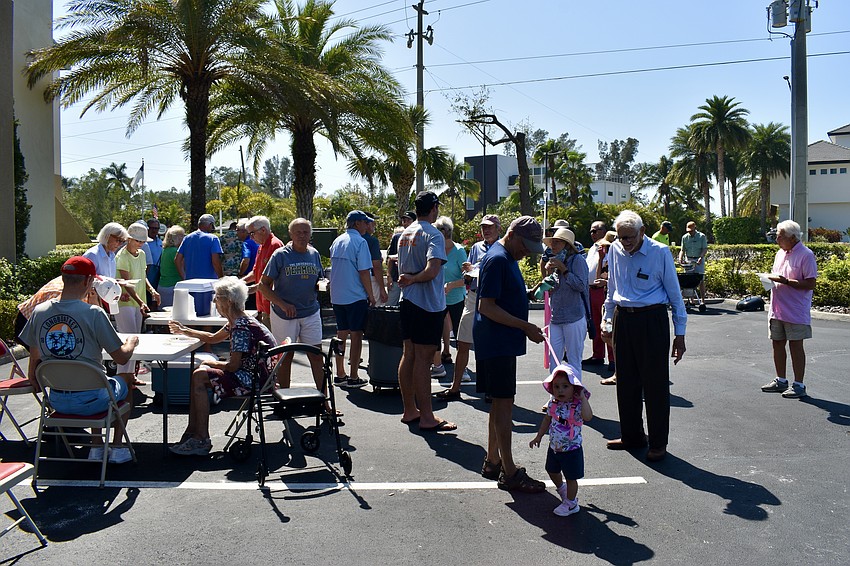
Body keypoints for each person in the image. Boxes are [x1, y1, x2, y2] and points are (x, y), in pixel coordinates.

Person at [20, 256, 139, 464]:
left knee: (98, 379)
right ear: (88, 281)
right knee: (125, 378)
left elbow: (35, 354)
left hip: (56, 400)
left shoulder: (39, 312)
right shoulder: (94, 313)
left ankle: (96, 446)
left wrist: (34, 380)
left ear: (64, 278)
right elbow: (120, 356)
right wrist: (132, 342)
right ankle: (117, 447)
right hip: (93, 400)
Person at [601, 210, 686, 462]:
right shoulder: (615, 249)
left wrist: (679, 334)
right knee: (625, 381)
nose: (625, 243)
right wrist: (608, 318)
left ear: (643, 232)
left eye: (629, 237)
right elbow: (612, 286)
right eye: (621, 237)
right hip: (623, 319)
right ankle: (632, 436)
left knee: (655, 385)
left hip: (652, 320)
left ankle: (658, 442)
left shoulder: (659, 252)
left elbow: (675, 296)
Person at [475, 216, 546, 492]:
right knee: (505, 406)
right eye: (526, 245)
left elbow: (501, 297)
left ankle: (494, 461)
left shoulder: (506, 258)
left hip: (499, 342)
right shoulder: (498, 259)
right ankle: (509, 470)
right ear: (513, 235)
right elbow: (486, 306)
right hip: (497, 343)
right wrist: (525, 326)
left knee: (499, 403)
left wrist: (525, 294)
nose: (527, 251)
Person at [167, 277, 276, 456]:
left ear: (228, 301)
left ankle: (200, 438)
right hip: (260, 376)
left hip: (254, 381)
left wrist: (212, 362)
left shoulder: (240, 326)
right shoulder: (239, 320)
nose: (214, 301)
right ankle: (193, 433)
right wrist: (185, 330)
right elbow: (213, 338)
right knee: (200, 373)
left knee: (199, 375)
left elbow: (233, 366)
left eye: (217, 297)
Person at [397, 191, 455, 431]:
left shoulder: (405, 233)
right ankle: (428, 418)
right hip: (426, 305)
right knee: (422, 359)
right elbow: (432, 271)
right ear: (433, 209)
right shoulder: (433, 234)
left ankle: (410, 410)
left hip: (407, 302)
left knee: (408, 354)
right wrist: (413, 279)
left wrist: (408, 281)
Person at [258, 218, 326, 395]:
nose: (302, 236)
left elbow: (319, 279)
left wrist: (323, 283)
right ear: (291, 234)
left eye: (305, 232)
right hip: (284, 315)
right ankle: (284, 398)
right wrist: (282, 303)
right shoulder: (280, 255)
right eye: (298, 232)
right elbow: (263, 285)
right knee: (285, 357)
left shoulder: (314, 254)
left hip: (310, 311)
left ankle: (324, 401)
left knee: (316, 356)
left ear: (310, 234)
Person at [444, 214, 502, 398]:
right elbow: (468, 277)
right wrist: (468, 273)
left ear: (498, 228)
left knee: (490, 345)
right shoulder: (476, 247)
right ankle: (455, 387)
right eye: (484, 227)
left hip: (493, 299)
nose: (486, 230)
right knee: (463, 341)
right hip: (473, 296)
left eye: (490, 227)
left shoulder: (503, 248)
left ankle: (491, 389)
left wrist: (477, 270)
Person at [760, 220, 818, 399]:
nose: (777, 239)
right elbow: (777, 275)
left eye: (780, 236)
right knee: (777, 343)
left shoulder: (806, 255)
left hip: (795, 309)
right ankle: (781, 380)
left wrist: (786, 281)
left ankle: (799, 384)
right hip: (777, 308)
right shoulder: (780, 253)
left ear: (792, 238)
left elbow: (810, 283)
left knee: (795, 345)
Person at [529, 363, 593, 517]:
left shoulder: (577, 405)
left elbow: (588, 417)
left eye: (565, 386)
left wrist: (583, 398)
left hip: (571, 449)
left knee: (572, 477)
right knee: (551, 470)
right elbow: (547, 420)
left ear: (574, 388)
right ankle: (563, 490)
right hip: (555, 447)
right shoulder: (553, 403)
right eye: (556, 387)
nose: (560, 390)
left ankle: (571, 504)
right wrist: (538, 436)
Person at [329, 210, 375, 388]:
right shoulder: (360, 242)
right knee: (356, 335)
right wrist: (371, 295)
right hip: (355, 296)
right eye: (365, 222)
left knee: (341, 334)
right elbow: (364, 272)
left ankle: (340, 373)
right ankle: (353, 376)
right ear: (357, 223)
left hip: (338, 296)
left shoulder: (337, 240)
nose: (367, 225)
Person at [540, 228, 589, 380]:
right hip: (556, 317)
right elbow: (553, 290)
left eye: (557, 242)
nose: (553, 246)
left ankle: (576, 398)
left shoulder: (577, 260)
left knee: (574, 361)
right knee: (554, 358)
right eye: (552, 242)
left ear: (567, 245)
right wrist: (549, 275)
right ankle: (554, 399)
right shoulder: (556, 261)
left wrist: (564, 270)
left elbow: (581, 285)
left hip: (574, 317)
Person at [116, 221, 160, 387]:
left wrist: (151, 291)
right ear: (129, 239)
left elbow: (142, 277)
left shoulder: (141, 254)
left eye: (142, 241)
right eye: (138, 241)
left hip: (137, 302)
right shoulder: (122, 256)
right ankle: (123, 377)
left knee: (135, 339)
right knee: (128, 340)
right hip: (125, 302)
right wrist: (142, 301)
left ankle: (130, 376)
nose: (141, 244)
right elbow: (127, 283)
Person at [430, 216, 467, 387]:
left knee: (460, 334)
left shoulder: (459, 251)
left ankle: (463, 369)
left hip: (455, 298)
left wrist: (452, 285)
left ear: (446, 232)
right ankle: (438, 365)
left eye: (438, 230)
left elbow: (468, 278)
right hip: (437, 298)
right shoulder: (434, 249)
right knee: (436, 330)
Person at [583, 221, 615, 372]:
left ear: (604, 231)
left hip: (604, 291)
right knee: (595, 324)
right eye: (591, 231)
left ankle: (613, 358)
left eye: (596, 230)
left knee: (607, 324)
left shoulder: (611, 248)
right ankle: (598, 355)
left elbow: (607, 272)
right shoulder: (592, 249)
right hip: (591, 290)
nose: (593, 234)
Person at [242, 215, 283, 328]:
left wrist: (252, 288)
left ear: (263, 230)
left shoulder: (275, 245)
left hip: (273, 306)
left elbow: (275, 278)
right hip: (263, 305)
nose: (251, 238)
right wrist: (240, 282)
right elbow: (256, 273)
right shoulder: (261, 247)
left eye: (252, 233)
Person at [175, 213, 224, 281]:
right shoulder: (213, 239)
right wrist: (221, 278)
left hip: (191, 282)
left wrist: (184, 277)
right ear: (210, 225)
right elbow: (215, 262)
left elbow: (177, 260)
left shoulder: (187, 238)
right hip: (208, 283)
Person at [385, 211, 416, 306]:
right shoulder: (397, 237)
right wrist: (389, 275)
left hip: (412, 280)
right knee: (390, 305)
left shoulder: (420, 237)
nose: (405, 223)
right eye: (404, 220)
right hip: (396, 279)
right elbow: (390, 258)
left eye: (408, 220)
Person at [678, 221, 708, 307]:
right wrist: (680, 258)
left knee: (700, 279)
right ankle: (692, 300)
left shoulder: (701, 236)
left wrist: (701, 257)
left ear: (695, 228)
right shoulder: (685, 237)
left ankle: (702, 300)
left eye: (691, 230)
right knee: (689, 279)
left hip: (698, 259)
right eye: (688, 231)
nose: (690, 232)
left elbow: (704, 249)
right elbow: (682, 250)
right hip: (689, 259)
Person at [157, 225, 186, 307]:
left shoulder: (165, 250)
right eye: (182, 236)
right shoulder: (175, 252)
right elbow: (182, 266)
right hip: (173, 286)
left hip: (163, 285)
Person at [363, 212, 388, 305]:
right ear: (366, 224)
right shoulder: (372, 240)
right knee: (375, 309)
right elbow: (376, 265)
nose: (374, 225)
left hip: (354, 282)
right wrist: (382, 288)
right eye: (372, 222)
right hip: (371, 279)